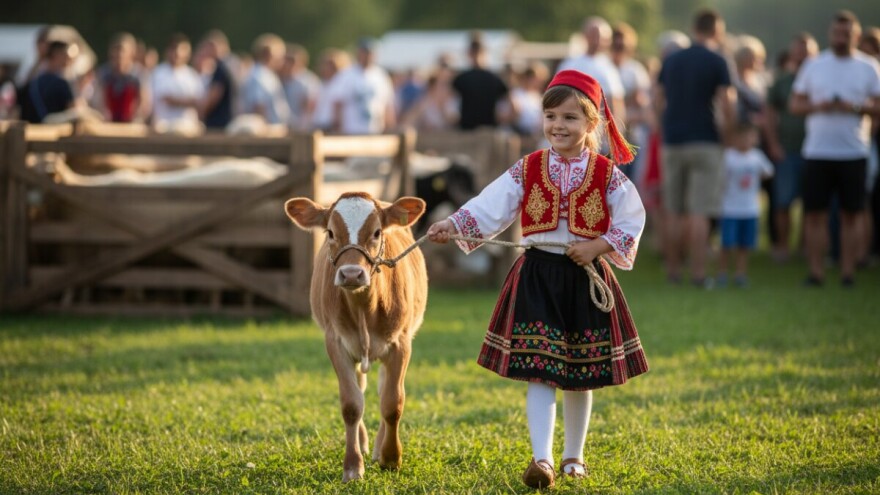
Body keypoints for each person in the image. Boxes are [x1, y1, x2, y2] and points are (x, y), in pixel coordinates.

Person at [427, 70, 648, 489]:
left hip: (585, 278)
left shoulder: (607, 174)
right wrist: (454, 224)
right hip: (537, 276)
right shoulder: (528, 167)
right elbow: (491, 205)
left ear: (591, 124)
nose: (558, 126)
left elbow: (632, 219)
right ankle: (542, 459)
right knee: (539, 370)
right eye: (550, 116)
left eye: (569, 118)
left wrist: (598, 247)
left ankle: (574, 457)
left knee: (581, 373)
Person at [789, 10, 880, 287]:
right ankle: (816, 272)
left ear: (856, 35)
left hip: (854, 151)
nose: (840, 38)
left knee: (851, 214)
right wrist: (821, 106)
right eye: (836, 33)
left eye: (846, 34)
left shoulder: (869, 66)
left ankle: (848, 272)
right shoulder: (814, 65)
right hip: (818, 151)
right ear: (830, 34)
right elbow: (795, 105)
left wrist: (853, 107)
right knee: (814, 213)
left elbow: (877, 106)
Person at [655, 8, 737, 287]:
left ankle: (673, 271)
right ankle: (700, 274)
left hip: (673, 141)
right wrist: (728, 137)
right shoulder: (718, 59)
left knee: (673, 210)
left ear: (694, 28)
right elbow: (727, 103)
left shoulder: (672, 59)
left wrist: (662, 129)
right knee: (700, 212)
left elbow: (657, 99)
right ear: (717, 29)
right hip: (706, 140)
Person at [765, 33, 819, 262]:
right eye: (798, 50)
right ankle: (783, 247)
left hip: (816, 151)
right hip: (787, 149)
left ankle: (806, 248)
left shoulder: (820, 79)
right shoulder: (782, 82)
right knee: (783, 202)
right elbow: (769, 114)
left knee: (813, 204)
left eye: (806, 50)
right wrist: (774, 144)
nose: (802, 54)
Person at [716, 123, 774, 287]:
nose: (746, 140)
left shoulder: (757, 156)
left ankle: (741, 274)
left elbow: (768, 172)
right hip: (730, 209)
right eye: (742, 136)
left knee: (744, 245)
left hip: (750, 209)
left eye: (750, 136)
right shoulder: (728, 156)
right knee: (726, 244)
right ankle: (722, 273)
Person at [558, 16, 626, 118]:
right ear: (585, 36)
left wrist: (616, 127)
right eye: (594, 35)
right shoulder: (570, 64)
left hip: (601, 126)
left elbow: (616, 100)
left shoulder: (609, 67)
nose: (598, 40)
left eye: (602, 37)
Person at [326, 38, 396, 134]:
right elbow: (337, 103)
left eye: (370, 53)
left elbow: (387, 104)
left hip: (375, 130)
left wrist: (389, 126)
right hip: (351, 130)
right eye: (364, 52)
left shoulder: (381, 76)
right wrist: (338, 127)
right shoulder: (346, 75)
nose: (367, 56)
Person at [452, 32, 511, 130]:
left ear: (469, 53)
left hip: (466, 131)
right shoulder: (495, 78)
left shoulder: (460, 79)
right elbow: (513, 106)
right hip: (489, 130)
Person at [150, 33, 204, 132]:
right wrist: (189, 102)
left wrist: (180, 101)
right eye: (174, 49)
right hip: (164, 127)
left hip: (188, 128)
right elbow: (167, 99)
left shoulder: (192, 75)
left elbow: (199, 102)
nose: (178, 53)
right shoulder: (159, 72)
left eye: (182, 49)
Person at [90, 32, 147, 123]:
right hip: (107, 123)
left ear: (132, 52)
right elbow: (97, 99)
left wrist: (136, 117)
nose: (119, 54)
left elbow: (144, 102)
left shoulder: (138, 74)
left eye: (122, 50)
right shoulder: (103, 73)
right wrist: (102, 113)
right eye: (116, 50)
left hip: (131, 124)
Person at [18, 40, 76, 123]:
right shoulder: (62, 83)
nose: (69, 61)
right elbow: (72, 110)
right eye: (66, 56)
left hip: (32, 131)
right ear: (57, 55)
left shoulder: (34, 82)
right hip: (57, 132)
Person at [240, 33, 289, 125]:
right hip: (267, 131)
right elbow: (258, 106)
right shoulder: (260, 76)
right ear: (270, 54)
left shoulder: (265, 74)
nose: (282, 60)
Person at [196, 30, 235, 130]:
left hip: (218, 124)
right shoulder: (230, 65)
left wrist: (200, 112)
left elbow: (213, 97)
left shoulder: (221, 68)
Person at [281, 43, 320, 131]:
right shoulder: (283, 79)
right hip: (287, 126)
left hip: (302, 128)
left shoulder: (307, 80)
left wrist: (303, 126)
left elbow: (309, 106)